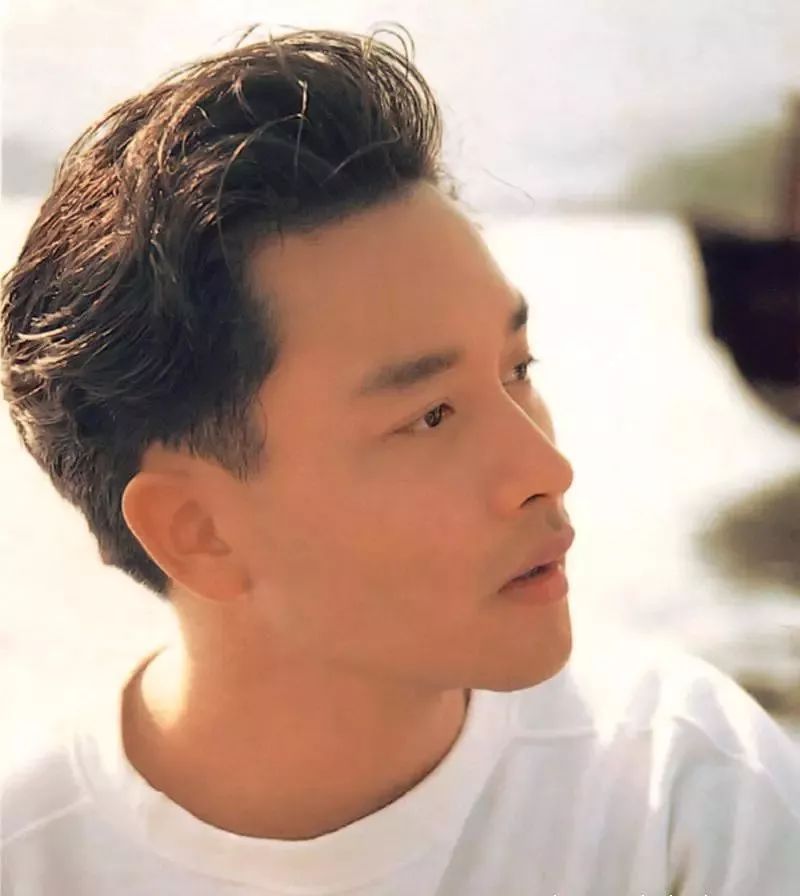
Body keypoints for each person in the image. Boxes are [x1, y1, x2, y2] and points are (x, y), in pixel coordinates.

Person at [1, 27, 798, 896]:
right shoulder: (33, 860)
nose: (546, 468)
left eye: (519, 369)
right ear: (199, 532)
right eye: (431, 416)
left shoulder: (683, 799)